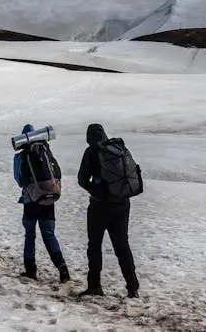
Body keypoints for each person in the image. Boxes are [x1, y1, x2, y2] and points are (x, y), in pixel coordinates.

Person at [77, 123, 139, 298]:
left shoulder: (91, 152)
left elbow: (82, 179)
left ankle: (95, 285)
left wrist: (94, 189)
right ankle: (132, 287)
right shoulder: (117, 148)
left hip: (99, 206)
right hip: (122, 204)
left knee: (94, 246)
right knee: (122, 246)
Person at [13, 124, 70, 283]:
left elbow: (19, 180)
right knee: (49, 235)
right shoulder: (46, 152)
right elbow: (57, 172)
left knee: (30, 235)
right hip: (48, 198)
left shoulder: (21, 156)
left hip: (30, 201)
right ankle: (62, 268)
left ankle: (30, 271)